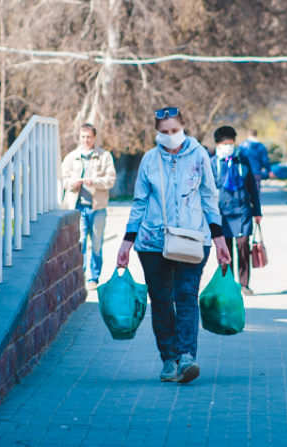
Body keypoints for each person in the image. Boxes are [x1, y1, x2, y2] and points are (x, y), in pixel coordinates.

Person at [117, 107, 231, 384]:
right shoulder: (149, 160)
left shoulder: (199, 155)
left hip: (194, 240)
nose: (170, 136)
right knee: (162, 302)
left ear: (183, 127)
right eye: (164, 132)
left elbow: (209, 198)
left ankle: (187, 357)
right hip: (152, 242)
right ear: (157, 132)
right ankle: (169, 360)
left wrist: (219, 240)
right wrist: (127, 242)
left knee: (186, 296)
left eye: (174, 130)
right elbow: (140, 202)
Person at [61, 124, 117, 290]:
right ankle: (80, 277)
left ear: (94, 137)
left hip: (97, 208)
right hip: (77, 208)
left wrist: (94, 182)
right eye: (83, 136)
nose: (85, 140)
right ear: (79, 137)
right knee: (80, 243)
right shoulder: (71, 157)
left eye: (89, 137)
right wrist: (73, 183)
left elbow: (110, 179)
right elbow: (63, 180)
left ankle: (94, 278)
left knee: (97, 244)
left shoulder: (104, 156)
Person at [210, 126, 261, 296]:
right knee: (225, 250)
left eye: (231, 142)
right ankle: (227, 283)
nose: (229, 145)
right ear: (218, 144)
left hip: (242, 210)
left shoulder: (243, 160)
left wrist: (257, 211)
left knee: (243, 246)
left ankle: (244, 284)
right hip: (222, 212)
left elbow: (253, 187)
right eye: (225, 143)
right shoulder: (211, 163)